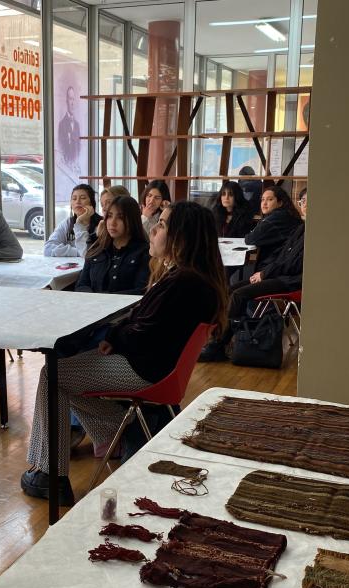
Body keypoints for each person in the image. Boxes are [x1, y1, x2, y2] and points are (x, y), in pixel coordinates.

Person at [20, 201, 227, 506]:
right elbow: (146, 319)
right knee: (65, 373)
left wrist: (114, 337)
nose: (154, 229)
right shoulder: (193, 278)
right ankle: (117, 433)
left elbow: (144, 330)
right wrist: (117, 335)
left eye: (163, 225)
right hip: (157, 367)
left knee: (53, 374)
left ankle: (51, 476)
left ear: (182, 237)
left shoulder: (184, 282)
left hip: (144, 369)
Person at [200, 188, 307, 362]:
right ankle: (218, 339)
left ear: (280, 202)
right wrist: (264, 273)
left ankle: (218, 346)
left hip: (290, 280)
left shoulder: (298, 226)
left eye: (269, 199)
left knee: (238, 294)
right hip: (276, 274)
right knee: (231, 289)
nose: (304, 205)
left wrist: (264, 273)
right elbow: (282, 257)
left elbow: (292, 264)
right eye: (302, 201)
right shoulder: (301, 227)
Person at [75, 196, 149, 296]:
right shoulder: (97, 248)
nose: (112, 223)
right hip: (92, 307)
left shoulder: (143, 252)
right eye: (109, 216)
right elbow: (81, 284)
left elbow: (141, 291)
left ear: (132, 220)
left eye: (120, 217)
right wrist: (93, 299)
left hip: (125, 310)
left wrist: (104, 300)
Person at [243, 185, 302, 272]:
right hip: (280, 266)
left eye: (270, 199)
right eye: (262, 199)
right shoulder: (286, 215)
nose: (264, 203)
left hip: (274, 269)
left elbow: (251, 239)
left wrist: (251, 233)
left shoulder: (277, 217)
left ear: (280, 203)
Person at [44, 184, 101, 257]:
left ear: (91, 202)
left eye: (83, 198)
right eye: (74, 199)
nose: (78, 202)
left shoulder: (101, 224)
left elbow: (93, 254)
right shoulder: (67, 223)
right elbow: (48, 249)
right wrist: (78, 252)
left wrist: (79, 222)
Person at [58, 86, 81, 166]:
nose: (72, 103)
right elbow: (60, 149)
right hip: (66, 167)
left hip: (75, 169)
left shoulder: (77, 126)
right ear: (66, 101)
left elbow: (79, 150)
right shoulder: (61, 125)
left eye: (73, 99)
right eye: (70, 99)